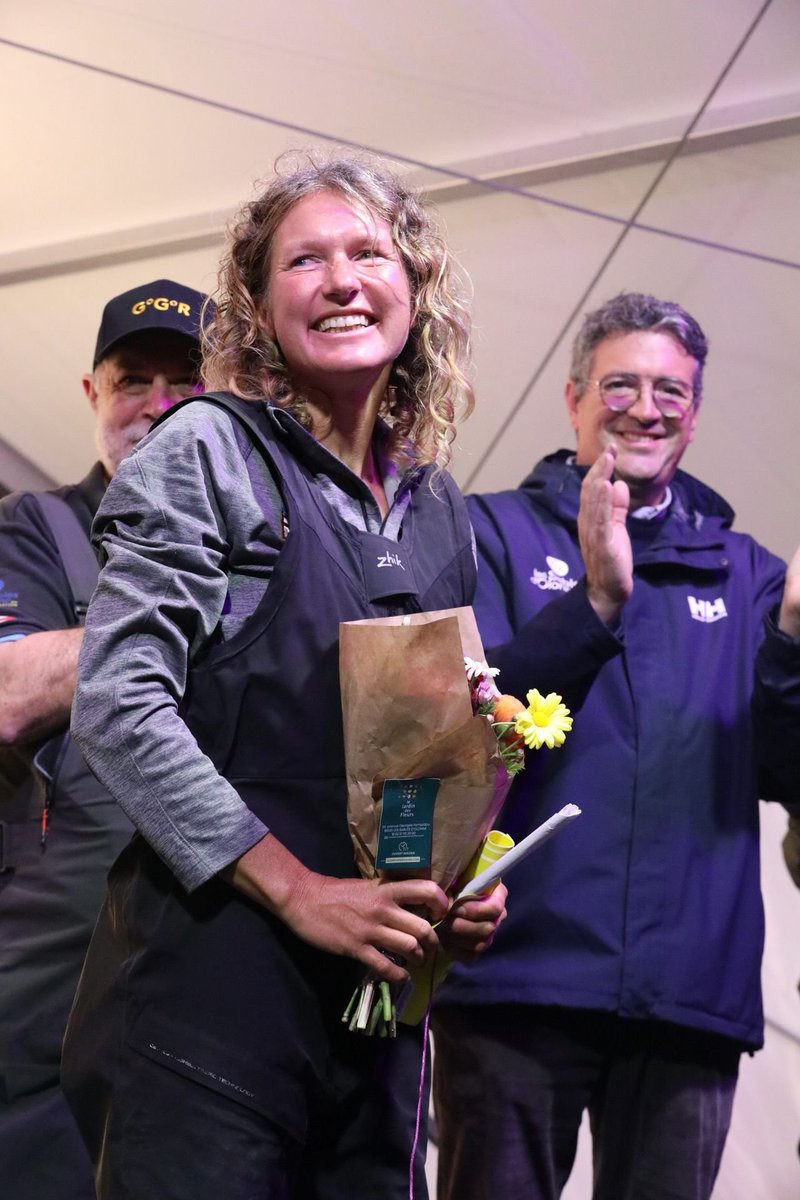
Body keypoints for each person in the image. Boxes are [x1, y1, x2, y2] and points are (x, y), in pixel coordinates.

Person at [61, 153, 507, 1200]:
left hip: (370, 1023)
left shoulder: (437, 504)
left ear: (415, 288)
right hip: (206, 1014)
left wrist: (456, 873)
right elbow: (119, 701)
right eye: (304, 260)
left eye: (367, 253)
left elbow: (421, 748)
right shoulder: (208, 450)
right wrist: (301, 891)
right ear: (258, 308)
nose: (342, 279)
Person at [431, 291, 800, 1200]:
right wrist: (595, 600)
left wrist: (792, 643)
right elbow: (456, 730)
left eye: (671, 391)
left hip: (689, 997)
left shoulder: (751, 573)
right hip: (517, 980)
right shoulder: (488, 533)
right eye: (621, 384)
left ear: (697, 412)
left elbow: (782, 774)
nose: (645, 407)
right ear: (573, 399)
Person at [0, 278, 207, 1200]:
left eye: (184, 383)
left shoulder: (280, 545)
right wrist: (185, 606)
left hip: (205, 987)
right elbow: (6, 694)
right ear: (93, 394)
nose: (157, 406)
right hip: (45, 983)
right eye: (134, 381)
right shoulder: (32, 531)